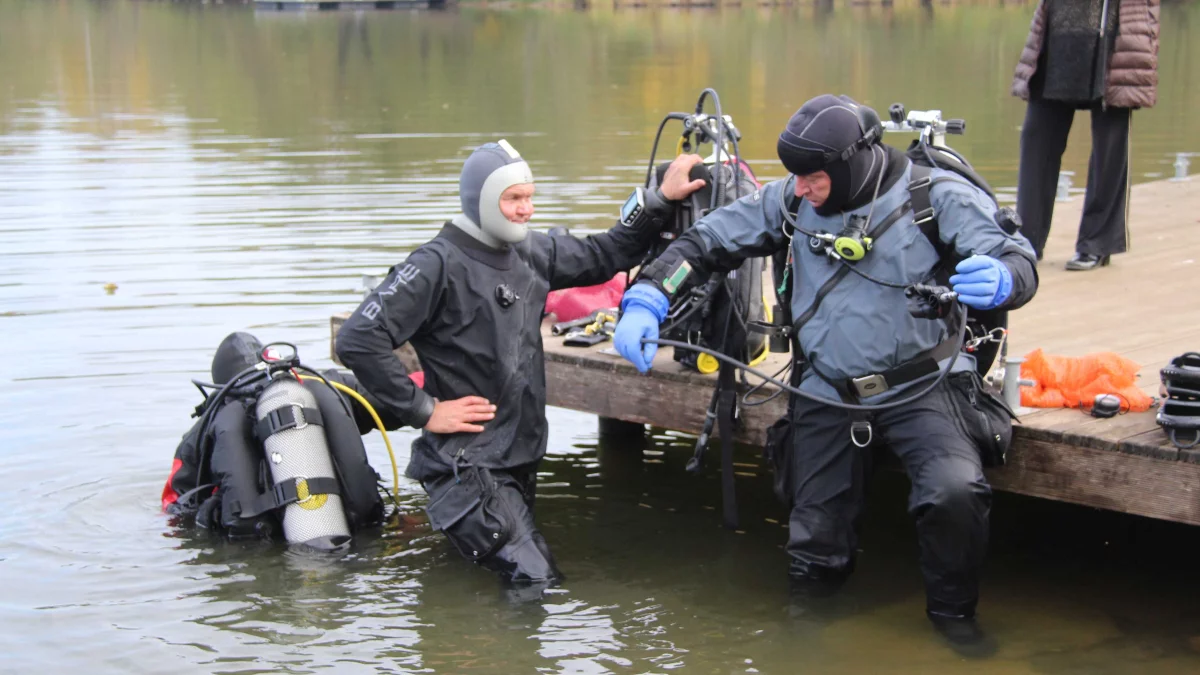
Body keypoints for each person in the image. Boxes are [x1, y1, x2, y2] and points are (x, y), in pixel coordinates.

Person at [612, 95, 1039, 646]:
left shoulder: (933, 198)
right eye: (796, 179)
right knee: (813, 538)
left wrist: (1005, 279)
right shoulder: (792, 199)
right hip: (827, 388)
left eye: (813, 178)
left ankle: (954, 619)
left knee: (954, 493)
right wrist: (649, 293)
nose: (802, 189)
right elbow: (706, 242)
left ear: (850, 165)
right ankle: (808, 633)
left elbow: (1016, 256)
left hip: (924, 382)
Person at [335, 140, 705, 585]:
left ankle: (464, 634)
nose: (526, 209)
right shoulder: (436, 264)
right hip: (468, 465)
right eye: (513, 199)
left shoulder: (531, 252)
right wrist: (426, 411)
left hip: (517, 455)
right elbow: (359, 338)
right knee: (536, 582)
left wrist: (659, 199)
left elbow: (607, 253)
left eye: (529, 197)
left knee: (492, 580)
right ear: (481, 201)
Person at [163, 331, 398, 548]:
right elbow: (395, 402)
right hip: (357, 530)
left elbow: (174, 505)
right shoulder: (329, 385)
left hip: (259, 543)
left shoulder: (210, 421)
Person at [1012, 0, 1160, 269]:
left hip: (1118, 32)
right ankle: (1027, 240)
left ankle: (1097, 242)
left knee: (1110, 146)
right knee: (1037, 137)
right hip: (1060, 29)